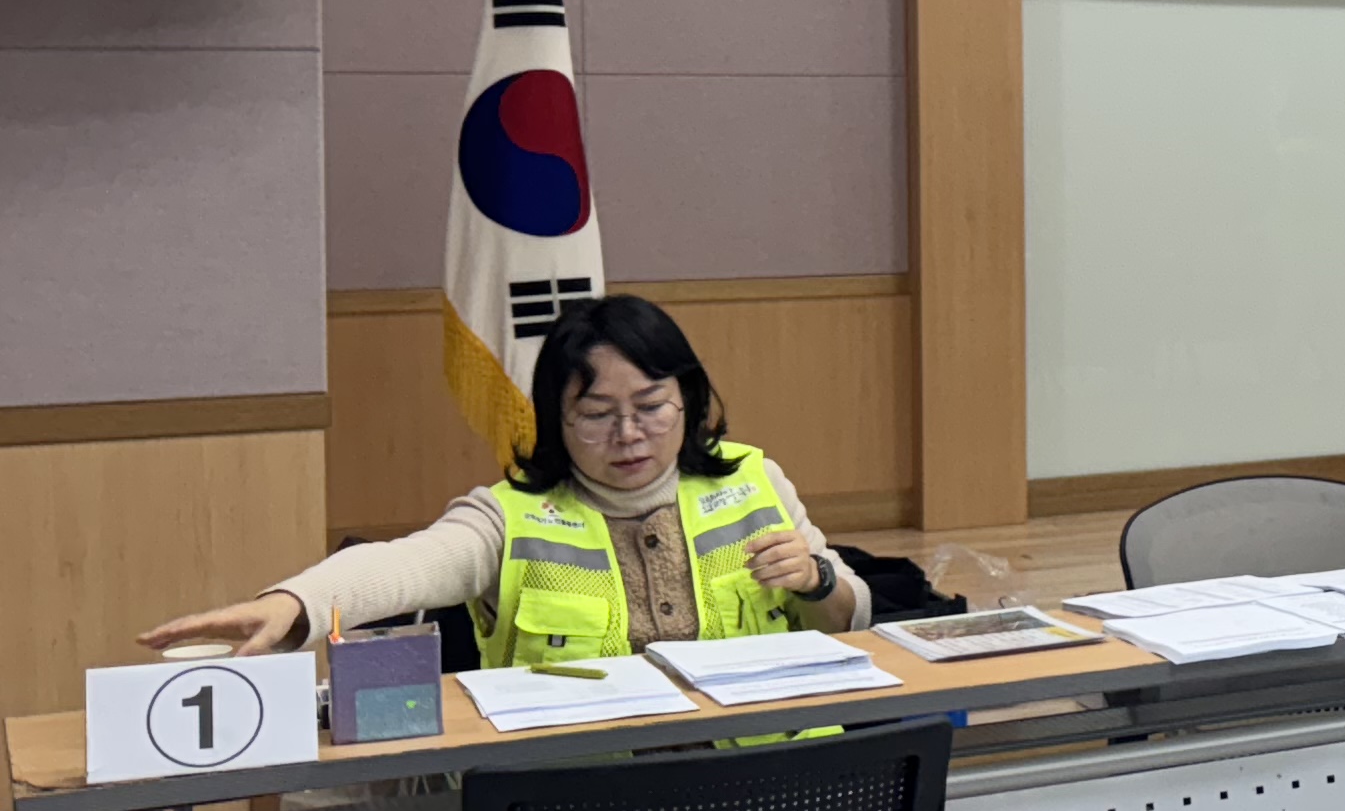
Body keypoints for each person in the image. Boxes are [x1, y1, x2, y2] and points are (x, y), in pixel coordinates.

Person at [146, 293, 870, 663]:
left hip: (758, 782)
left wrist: (818, 581)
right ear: (556, 419)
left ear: (689, 400)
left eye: (652, 407)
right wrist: (293, 605)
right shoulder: (511, 516)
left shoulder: (754, 481)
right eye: (597, 414)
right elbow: (401, 567)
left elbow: (849, 618)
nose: (628, 435)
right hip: (579, 806)